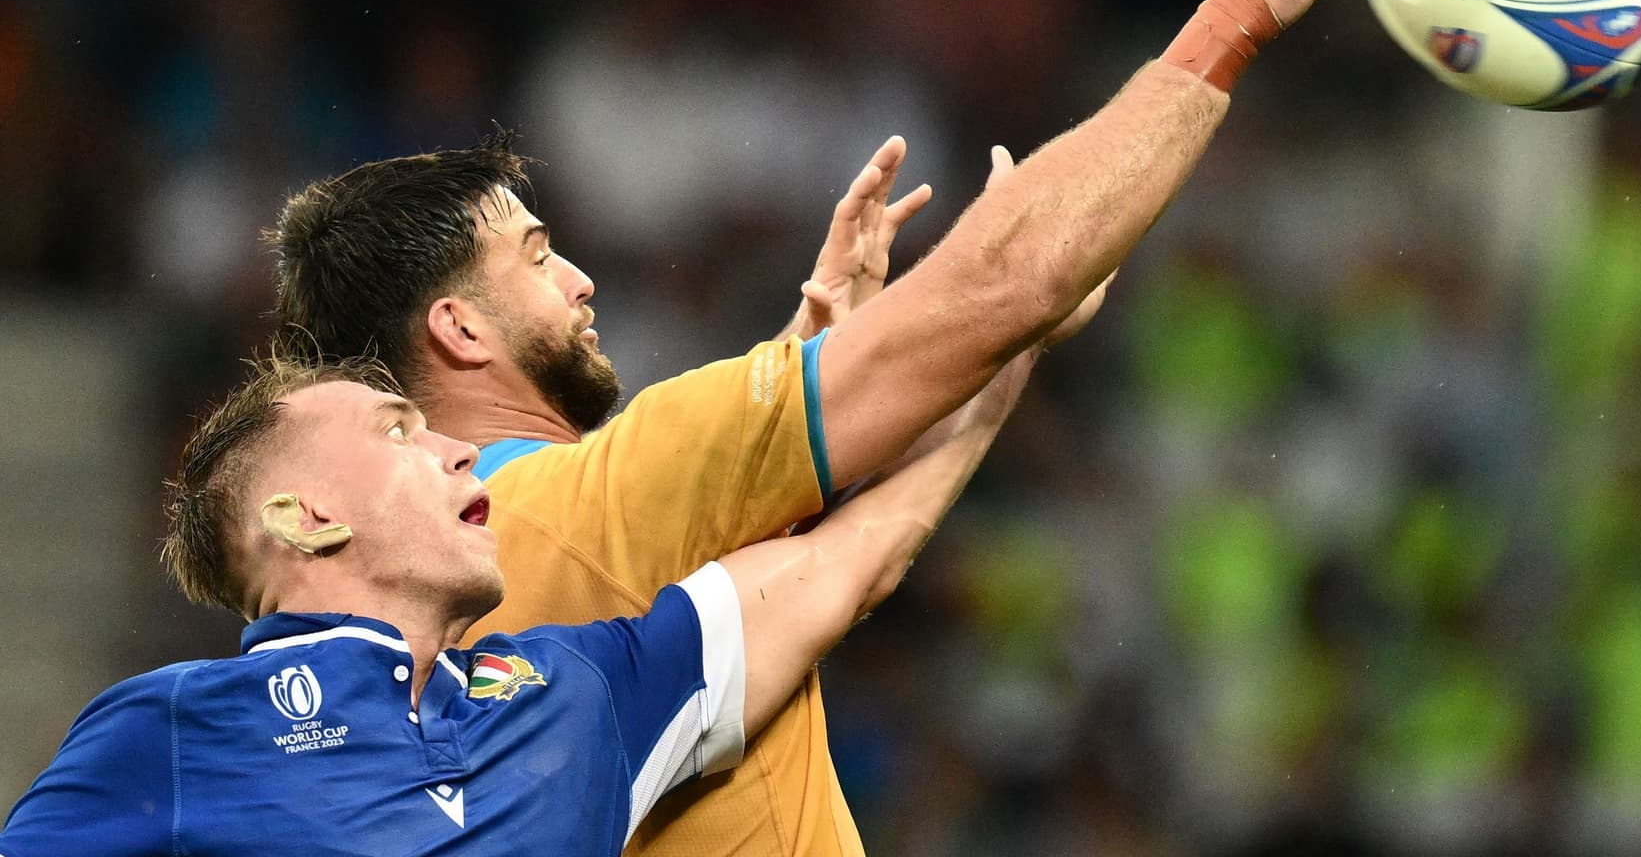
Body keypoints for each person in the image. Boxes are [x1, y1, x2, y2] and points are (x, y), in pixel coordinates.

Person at [266, 0, 1400, 856]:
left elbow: (854, 561)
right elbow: (1010, 275)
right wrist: (1242, 7)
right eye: (535, 257)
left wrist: (953, 363)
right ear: (458, 329)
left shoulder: (410, 593)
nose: (581, 277)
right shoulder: (582, 502)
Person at [0, 339, 1050, 854]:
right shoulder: (177, 725)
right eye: (399, 431)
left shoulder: (572, 692)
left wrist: (1000, 374)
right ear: (306, 516)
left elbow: (836, 566)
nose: (463, 449)